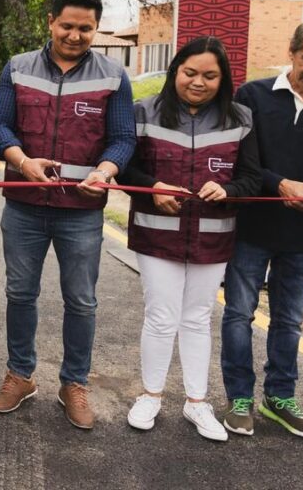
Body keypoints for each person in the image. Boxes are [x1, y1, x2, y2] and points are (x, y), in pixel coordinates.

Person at [0, 0, 135, 429]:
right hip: (25, 206)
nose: (75, 35)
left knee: (82, 301)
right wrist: (21, 160)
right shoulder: (17, 67)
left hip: (82, 209)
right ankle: (20, 374)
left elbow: (124, 137)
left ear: (96, 28)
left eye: (85, 28)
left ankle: (74, 383)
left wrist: (105, 171)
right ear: (50, 21)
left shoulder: (113, 76)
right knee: (20, 294)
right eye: (67, 25)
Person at [119, 37, 260, 441]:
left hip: (213, 238)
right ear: (175, 71)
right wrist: (153, 186)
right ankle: (151, 395)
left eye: (210, 76)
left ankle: (197, 402)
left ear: (224, 79)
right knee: (161, 316)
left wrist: (229, 191)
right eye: (190, 73)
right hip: (156, 235)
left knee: (198, 318)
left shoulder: (241, 118)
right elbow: (125, 170)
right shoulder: (143, 112)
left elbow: (251, 178)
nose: (198, 82)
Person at [221, 16, 303, 440]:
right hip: (251, 224)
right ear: (291, 53)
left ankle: (279, 398)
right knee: (239, 313)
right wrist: (278, 183)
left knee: (290, 320)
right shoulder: (253, 95)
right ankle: (239, 398)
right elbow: (241, 159)